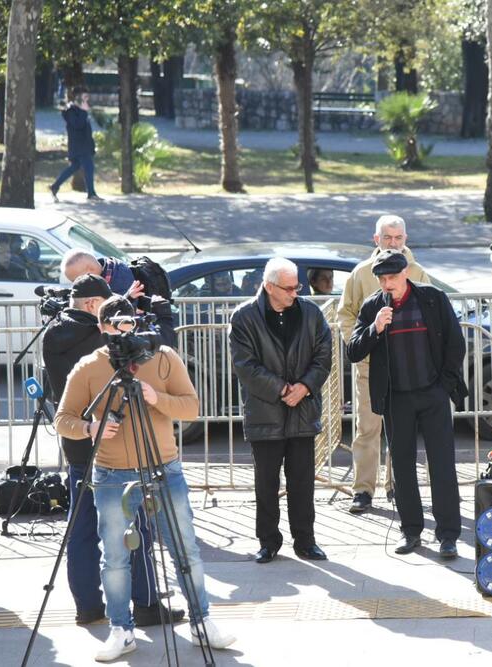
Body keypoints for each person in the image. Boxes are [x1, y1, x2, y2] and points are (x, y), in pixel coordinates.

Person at [54, 296, 235, 661]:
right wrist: (90, 427)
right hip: (111, 474)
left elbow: (192, 407)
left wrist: (157, 398)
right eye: (115, 324)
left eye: (129, 322)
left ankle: (202, 621)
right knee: (116, 556)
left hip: (164, 467)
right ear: (102, 328)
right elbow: (63, 420)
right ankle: (121, 630)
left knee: (184, 547)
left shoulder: (164, 357)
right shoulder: (89, 367)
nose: (124, 330)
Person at [43, 275, 184, 628]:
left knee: (82, 529)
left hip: (78, 444)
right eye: (109, 307)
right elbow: (152, 349)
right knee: (133, 529)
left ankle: (88, 605)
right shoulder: (99, 340)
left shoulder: (53, 333)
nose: (122, 325)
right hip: (116, 449)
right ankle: (147, 604)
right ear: (94, 307)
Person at [346, 249, 467, 559]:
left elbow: (455, 343)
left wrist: (444, 385)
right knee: (402, 468)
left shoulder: (432, 298)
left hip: (432, 394)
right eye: (382, 279)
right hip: (396, 399)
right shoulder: (374, 306)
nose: (388, 284)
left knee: (442, 466)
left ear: (405, 273)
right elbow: (354, 351)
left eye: (392, 277)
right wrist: (375, 329)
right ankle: (411, 531)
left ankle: (448, 535)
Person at [229, 257, 333, 565]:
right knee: (267, 483)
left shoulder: (311, 313)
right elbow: (244, 365)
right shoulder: (245, 317)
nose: (295, 293)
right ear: (269, 286)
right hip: (265, 413)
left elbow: (323, 355)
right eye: (288, 288)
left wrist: (304, 386)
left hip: (303, 411)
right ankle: (268, 541)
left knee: (303, 481)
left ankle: (306, 540)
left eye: (297, 286)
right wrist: (281, 389)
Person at [336, 215, 436, 514]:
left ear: (406, 238)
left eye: (398, 238)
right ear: (375, 239)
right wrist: (361, 345)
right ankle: (363, 490)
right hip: (370, 367)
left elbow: (432, 316)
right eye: (387, 237)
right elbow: (346, 314)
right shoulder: (360, 273)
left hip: (408, 369)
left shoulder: (418, 272)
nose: (393, 243)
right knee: (368, 430)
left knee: (402, 431)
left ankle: (398, 486)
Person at [61, 248, 176, 348]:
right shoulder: (108, 269)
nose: (75, 285)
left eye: (76, 280)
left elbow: (120, 313)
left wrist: (127, 298)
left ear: (89, 272)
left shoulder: (119, 278)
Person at [50, 85, 101, 202]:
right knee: (89, 167)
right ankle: (91, 193)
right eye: (84, 96)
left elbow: (86, 129)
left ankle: (55, 186)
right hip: (78, 146)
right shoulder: (71, 111)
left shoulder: (81, 110)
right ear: (78, 97)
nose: (87, 99)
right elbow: (77, 125)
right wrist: (83, 111)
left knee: (74, 167)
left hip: (84, 145)